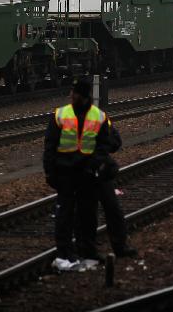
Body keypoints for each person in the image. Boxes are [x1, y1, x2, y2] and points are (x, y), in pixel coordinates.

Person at [44, 78, 111, 271]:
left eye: (73, 93)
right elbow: (50, 147)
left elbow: (104, 146)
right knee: (66, 215)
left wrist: (95, 165)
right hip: (67, 174)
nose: (70, 95)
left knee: (87, 215)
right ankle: (65, 252)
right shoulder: (61, 115)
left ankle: (86, 252)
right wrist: (50, 172)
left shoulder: (97, 116)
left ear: (81, 95)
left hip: (86, 174)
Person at [93, 124, 138, 257]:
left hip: (92, 170)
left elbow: (115, 142)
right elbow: (115, 142)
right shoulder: (97, 116)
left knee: (90, 213)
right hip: (93, 170)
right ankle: (117, 247)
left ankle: (88, 251)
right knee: (110, 210)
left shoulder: (97, 116)